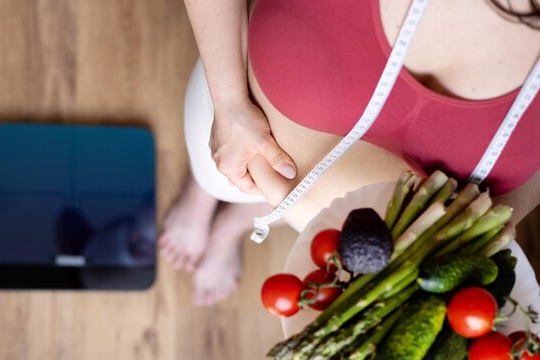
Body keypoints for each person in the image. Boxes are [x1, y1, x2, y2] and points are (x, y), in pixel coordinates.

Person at [160, 0, 540, 305]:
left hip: (299, 209)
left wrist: (486, 227)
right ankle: (203, 196)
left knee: (242, 186)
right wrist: (228, 106)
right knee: (217, 170)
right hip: (238, 119)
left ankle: (237, 223)